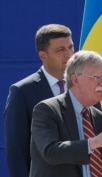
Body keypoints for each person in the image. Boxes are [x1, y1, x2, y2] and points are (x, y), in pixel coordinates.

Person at [29, 50, 102, 177]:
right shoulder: (47, 110)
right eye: (96, 77)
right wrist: (94, 142)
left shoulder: (100, 118)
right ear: (75, 79)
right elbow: (51, 152)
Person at [4, 24, 74, 177]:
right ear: (43, 56)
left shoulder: (84, 86)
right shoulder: (22, 92)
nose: (69, 55)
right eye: (61, 50)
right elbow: (16, 151)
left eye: (71, 47)